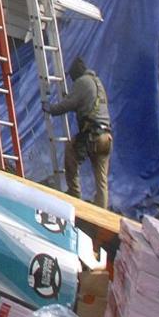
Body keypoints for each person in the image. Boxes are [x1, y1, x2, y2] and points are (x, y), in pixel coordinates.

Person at [47, 56, 113, 206]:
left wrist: (51, 109)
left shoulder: (82, 82)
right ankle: (101, 212)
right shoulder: (97, 82)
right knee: (101, 180)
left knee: (71, 151)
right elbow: (85, 103)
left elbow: (69, 104)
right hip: (106, 137)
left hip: (92, 136)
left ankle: (74, 193)